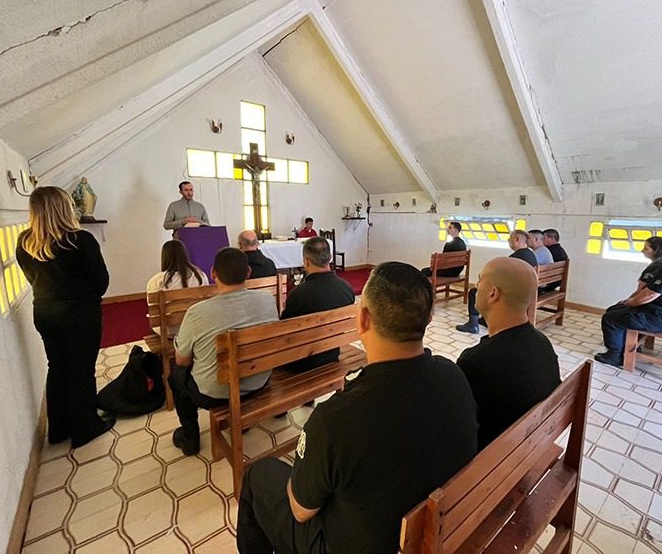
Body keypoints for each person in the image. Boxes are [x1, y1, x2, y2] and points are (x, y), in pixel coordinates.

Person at [236, 262, 477, 554]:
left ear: (362, 319)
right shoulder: (454, 375)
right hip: (429, 531)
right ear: (429, 318)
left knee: (258, 474)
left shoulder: (333, 418)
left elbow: (300, 511)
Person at [16, 186, 114, 448]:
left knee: (57, 366)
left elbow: (30, 277)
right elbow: (101, 282)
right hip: (79, 313)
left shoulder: (25, 241)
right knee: (82, 369)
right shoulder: (80, 240)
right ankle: (85, 427)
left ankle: (59, 428)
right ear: (64, 208)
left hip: (45, 312)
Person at [168, 248, 277, 455]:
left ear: (213, 273)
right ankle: (242, 424)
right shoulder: (267, 299)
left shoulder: (197, 312)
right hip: (258, 381)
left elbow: (182, 360)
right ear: (248, 272)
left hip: (215, 394)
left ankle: (190, 437)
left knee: (176, 377)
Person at [457, 257, 561, 448]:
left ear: (493, 294)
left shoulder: (477, 361)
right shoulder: (542, 343)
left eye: (480, 280)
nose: (476, 285)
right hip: (529, 446)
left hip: (493, 457)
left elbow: (459, 427)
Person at [594, 233, 662, 368]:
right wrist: (629, 302)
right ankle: (629, 347)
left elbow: (649, 295)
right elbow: (648, 291)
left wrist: (630, 302)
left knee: (610, 318)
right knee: (615, 310)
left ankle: (615, 356)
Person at [280, 237, 355, 372]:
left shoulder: (298, 294)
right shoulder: (347, 289)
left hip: (300, 361)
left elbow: (284, 330)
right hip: (332, 353)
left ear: (306, 261)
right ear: (330, 257)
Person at [455, 230, 537, 333]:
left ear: (516, 240)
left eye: (510, 238)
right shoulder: (530, 254)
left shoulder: (516, 258)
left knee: (474, 292)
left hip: (512, 293)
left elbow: (501, 278)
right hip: (524, 291)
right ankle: (486, 319)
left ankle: (473, 325)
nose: (508, 240)